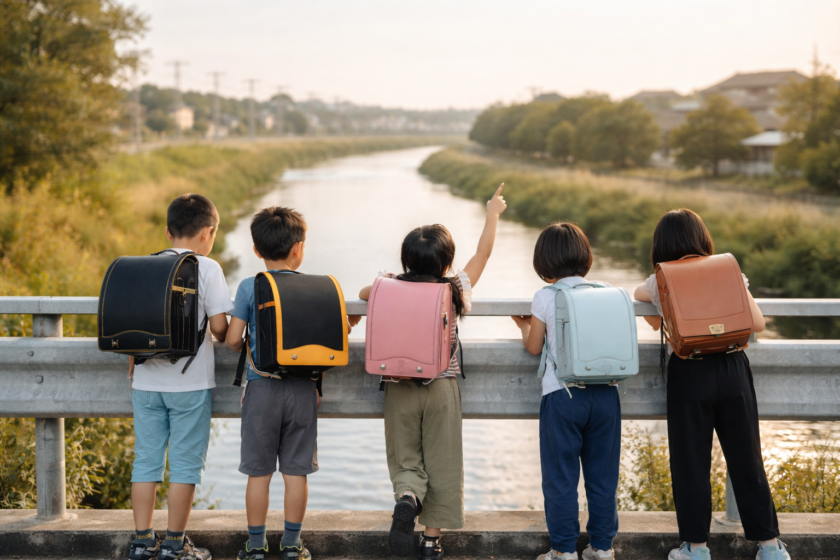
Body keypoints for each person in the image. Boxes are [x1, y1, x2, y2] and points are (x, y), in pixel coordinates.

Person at [356, 184, 508, 560]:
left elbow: (363, 293)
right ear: (446, 263)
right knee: (442, 461)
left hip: (399, 384)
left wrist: (392, 281)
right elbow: (483, 254)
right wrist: (492, 214)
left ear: (407, 260)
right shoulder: (454, 289)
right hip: (441, 386)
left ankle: (408, 497)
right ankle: (430, 542)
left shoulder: (388, 284)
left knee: (406, 457)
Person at [633, 209, 789, 560]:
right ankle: (771, 548)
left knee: (691, 462)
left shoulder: (660, 279)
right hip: (733, 367)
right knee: (747, 458)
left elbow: (651, 317)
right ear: (703, 238)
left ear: (661, 245)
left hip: (690, 371)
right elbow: (758, 324)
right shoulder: (729, 271)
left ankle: (696, 548)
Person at [129, 194, 232, 560]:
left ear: (168, 232)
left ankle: (142, 542)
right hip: (190, 385)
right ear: (208, 233)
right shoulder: (208, 268)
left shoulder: (145, 265)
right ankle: (174, 545)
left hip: (146, 383)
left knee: (146, 462)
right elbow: (219, 328)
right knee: (185, 467)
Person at [511, 222, 620, 560]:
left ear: (544, 263)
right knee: (603, 478)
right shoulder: (606, 291)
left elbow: (534, 347)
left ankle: (563, 551)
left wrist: (524, 325)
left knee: (561, 478)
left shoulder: (546, 296)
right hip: (606, 394)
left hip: (563, 396)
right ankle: (602, 547)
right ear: (585, 257)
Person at [226, 206, 321, 560]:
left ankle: (255, 546)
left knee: (259, 473)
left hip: (261, 389)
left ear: (256, 250)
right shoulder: (314, 287)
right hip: (303, 390)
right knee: (296, 472)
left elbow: (232, 339)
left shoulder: (249, 287)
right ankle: (292, 545)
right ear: (298, 248)